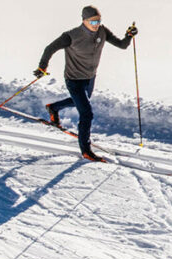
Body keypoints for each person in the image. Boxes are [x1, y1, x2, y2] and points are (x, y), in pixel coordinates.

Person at [35, 5, 138, 162]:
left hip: (90, 77)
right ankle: (86, 151)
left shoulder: (103, 31)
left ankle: (53, 108)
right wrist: (42, 67)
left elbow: (122, 45)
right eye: (93, 22)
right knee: (87, 113)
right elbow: (50, 48)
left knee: (82, 101)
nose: (96, 25)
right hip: (74, 79)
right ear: (84, 20)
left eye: (98, 21)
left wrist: (129, 35)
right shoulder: (71, 36)